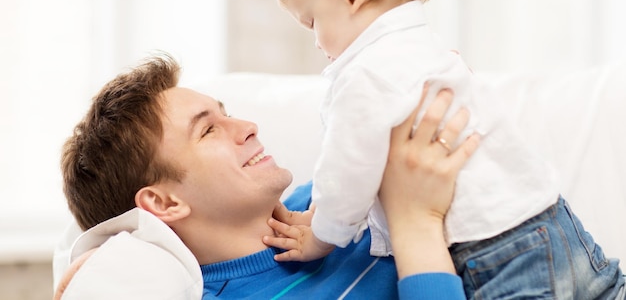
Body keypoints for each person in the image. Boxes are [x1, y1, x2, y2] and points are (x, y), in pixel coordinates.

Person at [271, 0, 625, 299]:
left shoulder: (363, 75)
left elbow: (348, 171)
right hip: (553, 219)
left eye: (312, 20)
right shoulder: (427, 48)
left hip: (495, 250)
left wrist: (321, 237)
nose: (316, 41)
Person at [56, 53, 480, 299]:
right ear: (164, 204)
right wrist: (415, 226)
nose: (247, 127)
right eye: (207, 130)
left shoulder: (336, 196)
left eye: (227, 113)